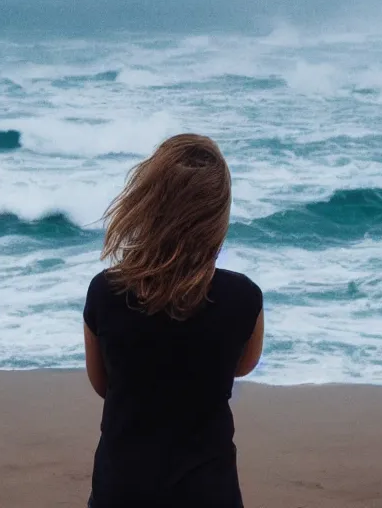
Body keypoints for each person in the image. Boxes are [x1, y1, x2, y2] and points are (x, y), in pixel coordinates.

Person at [81, 133, 264, 508]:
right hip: (208, 491)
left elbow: (103, 384)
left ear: (148, 202)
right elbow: (242, 367)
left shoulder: (105, 292)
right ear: (217, 216)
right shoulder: (244, 297)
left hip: (123, 488)